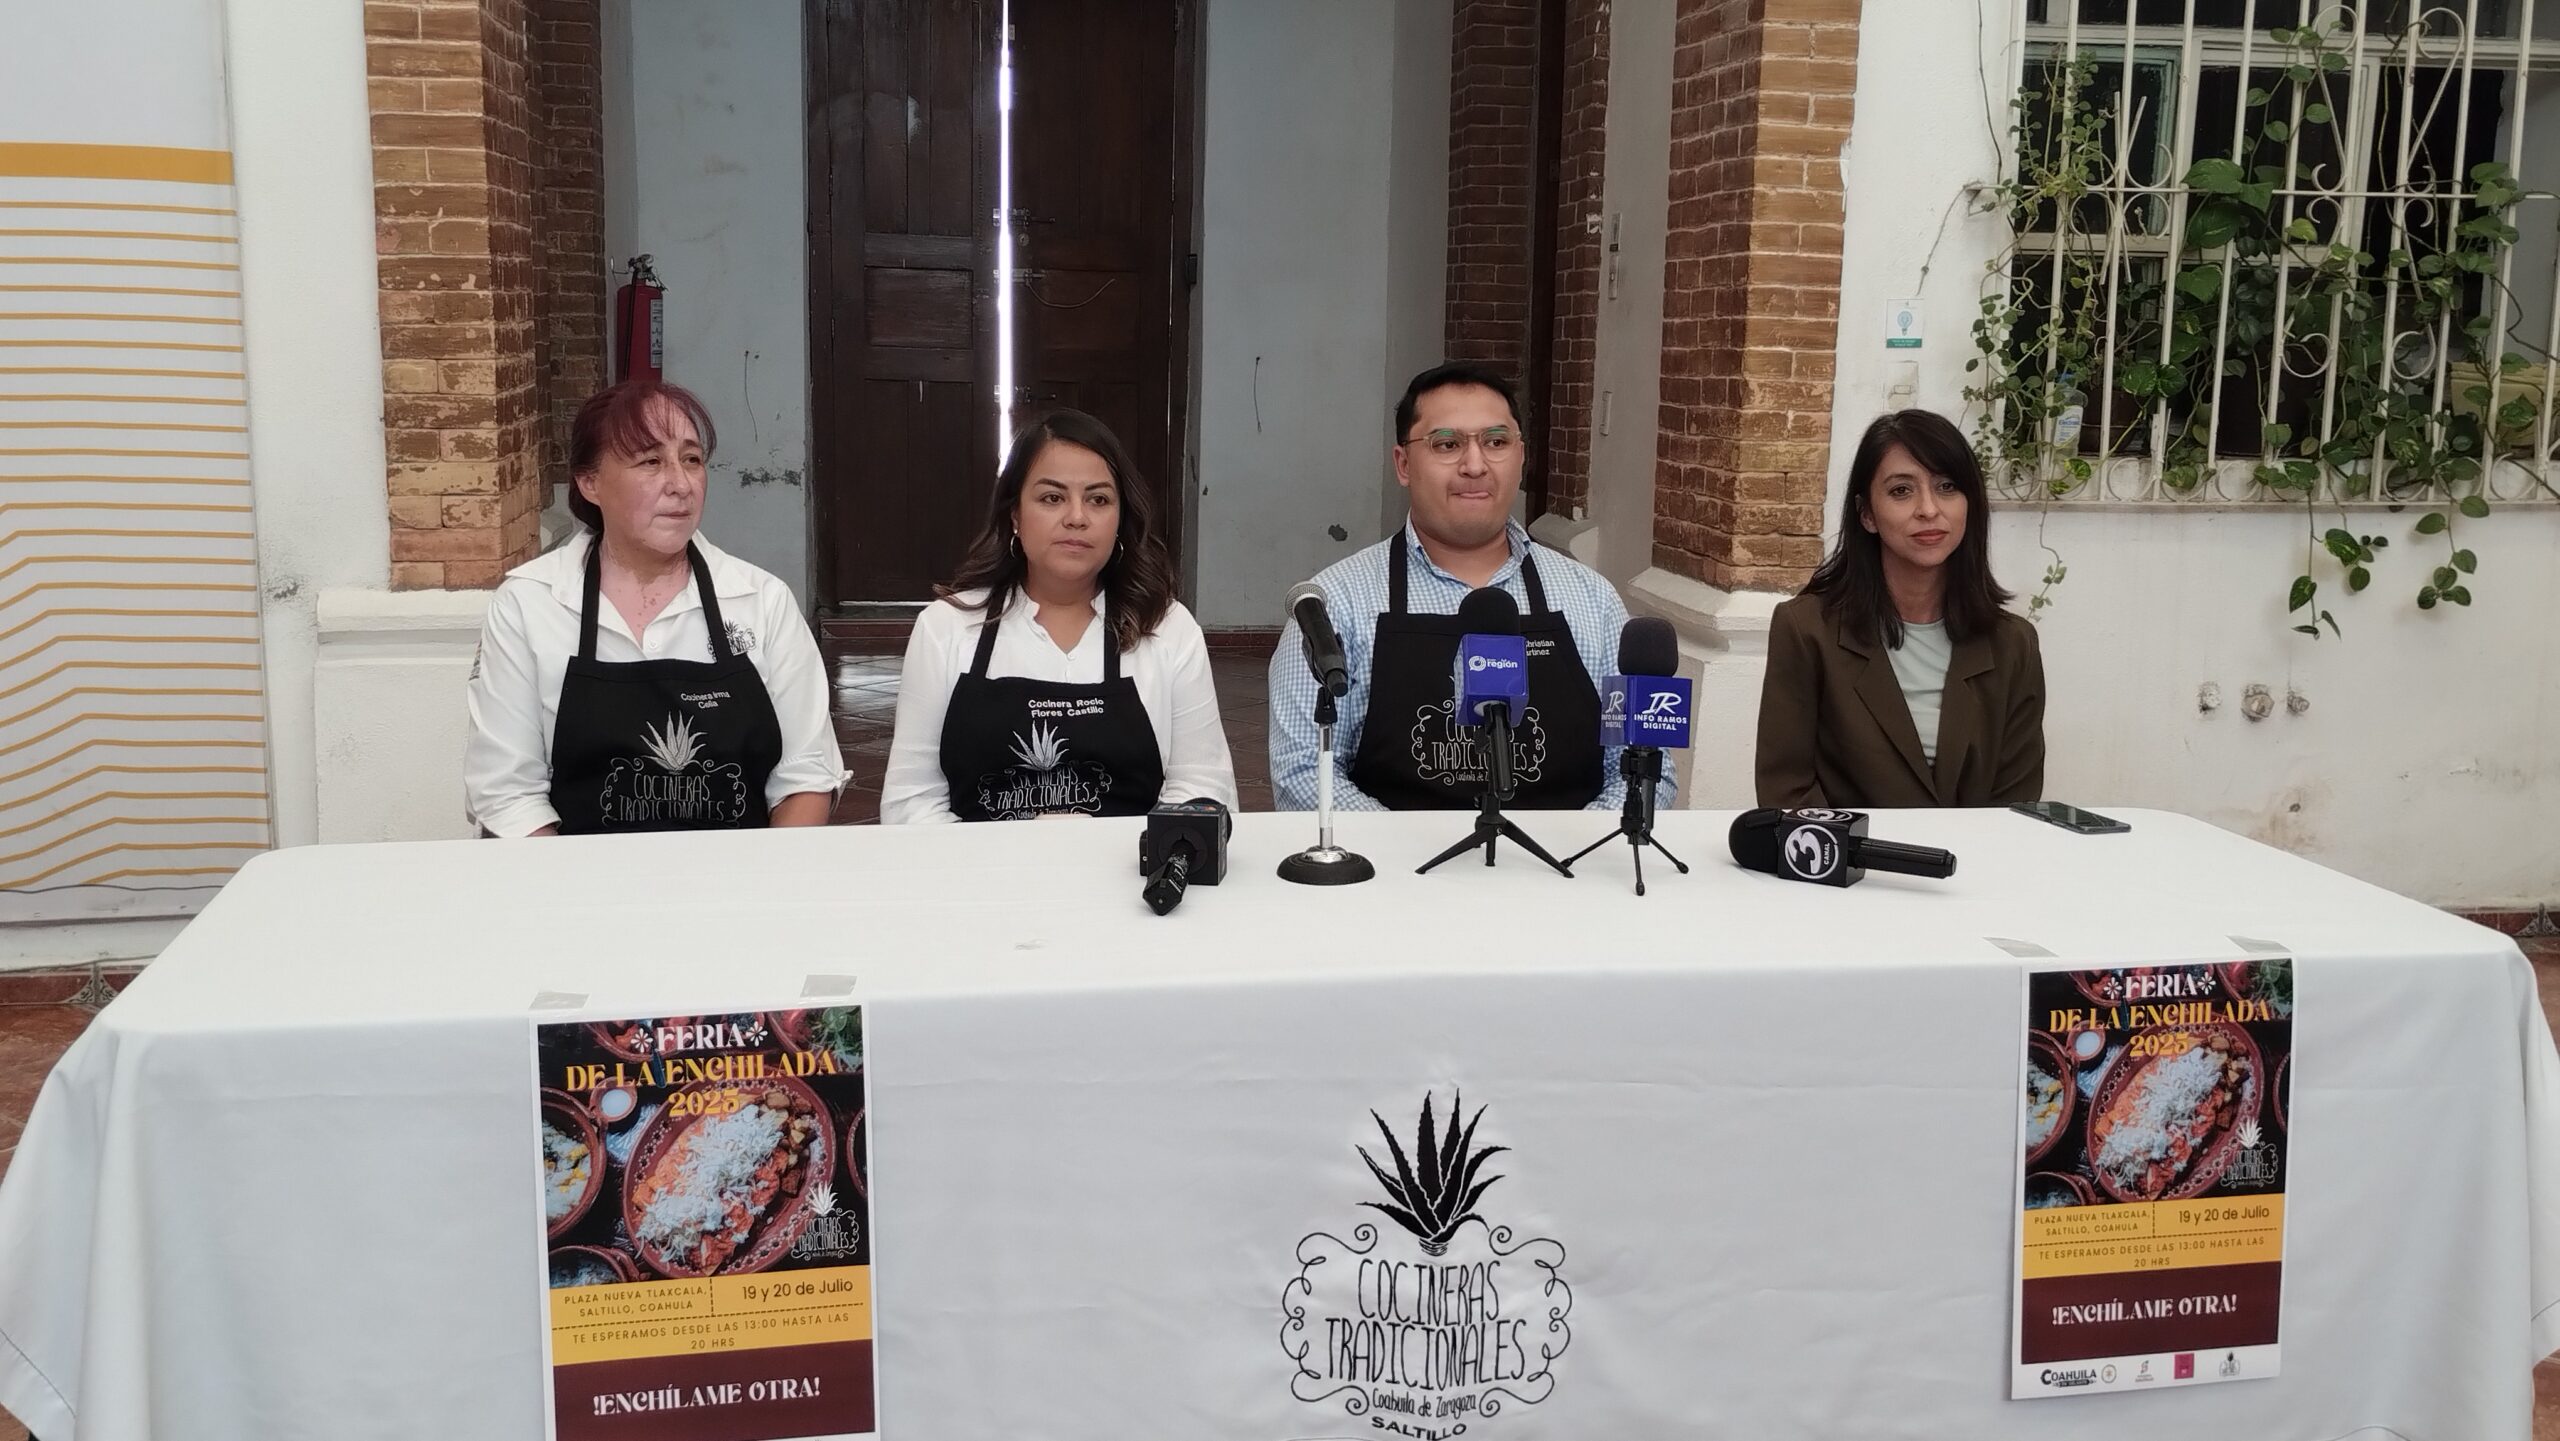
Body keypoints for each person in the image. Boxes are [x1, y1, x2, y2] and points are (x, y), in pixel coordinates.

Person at [1268, 362, 1666, 813]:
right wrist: (1411, 853)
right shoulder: (1335, 604)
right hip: (1393, 858)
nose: (1474, 465)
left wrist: (1576, 851)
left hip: (1569, 856)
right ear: (1403, 464)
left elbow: (1643, 766)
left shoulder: (1592, 600)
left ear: (1521, 456)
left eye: (1496, 442)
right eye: (1447, 444)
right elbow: (1304, 771)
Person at [464, 379, 844, 835]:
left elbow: (806, 776)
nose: (681, 485)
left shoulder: (762, 601)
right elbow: (508, 794)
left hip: (738, 874)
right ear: (590, 482)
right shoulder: (529, 604)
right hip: (577, 874)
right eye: (651, 462)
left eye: (692, 460)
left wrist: (765, 877)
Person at [882, 409, 1236, 822]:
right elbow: (911, 803)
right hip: (978, 864)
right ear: (1015, 515)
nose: (1077, 517)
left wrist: (1129, 853)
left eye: (1098, 499)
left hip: (1132, 863)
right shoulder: (945, 628)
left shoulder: (1167, 627)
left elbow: (1202, 791)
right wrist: (1011, 857)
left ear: (1120, 519)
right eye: (1052, 498)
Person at [1754, 408, 2045, 808]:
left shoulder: (2013, 643)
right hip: (1848, 849)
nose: (1928, 509)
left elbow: (2016, 803)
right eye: (1901, 491)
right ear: (1867, 514)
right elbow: (1787, 792)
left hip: (1976, 849)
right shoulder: (1806, 629)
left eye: (1946, 486)